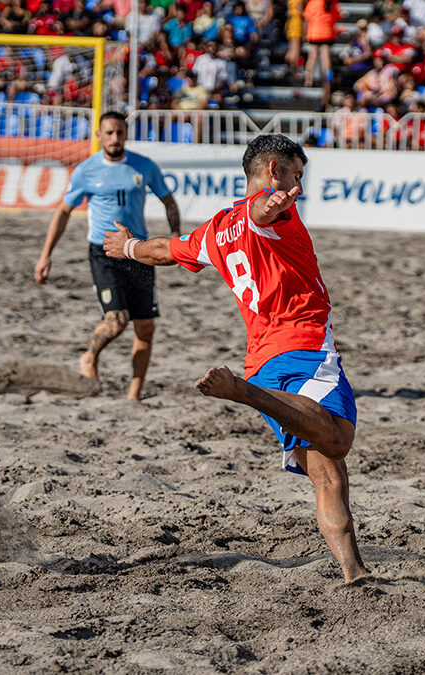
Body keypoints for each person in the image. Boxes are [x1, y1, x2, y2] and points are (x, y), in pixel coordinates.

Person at [101, 134, 370, 584]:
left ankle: (354, 573)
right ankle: (244, 395)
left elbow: (165, 251)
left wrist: (128, 247)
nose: (299, 184)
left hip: (262, 361)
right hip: (303, 349)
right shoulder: (267, 212)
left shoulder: (214, 230)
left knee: (327, 472)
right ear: (272, 171)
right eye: (295, 173)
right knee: (338, 441)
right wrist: (273, 203)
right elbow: (263, 212)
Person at [34, 112, 181, 401]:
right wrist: (45, 255)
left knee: (146, 327)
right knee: (117, 320)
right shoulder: (86, 171)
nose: (115, 138)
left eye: (120, 132)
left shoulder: (144, 166)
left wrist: (176, 233)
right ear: (99, 135)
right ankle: (90, 356)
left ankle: (134, 396)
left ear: (126, 134)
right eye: (109, 133)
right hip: (103, 253)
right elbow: (63, 211)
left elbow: (168, 200)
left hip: (138, 251)